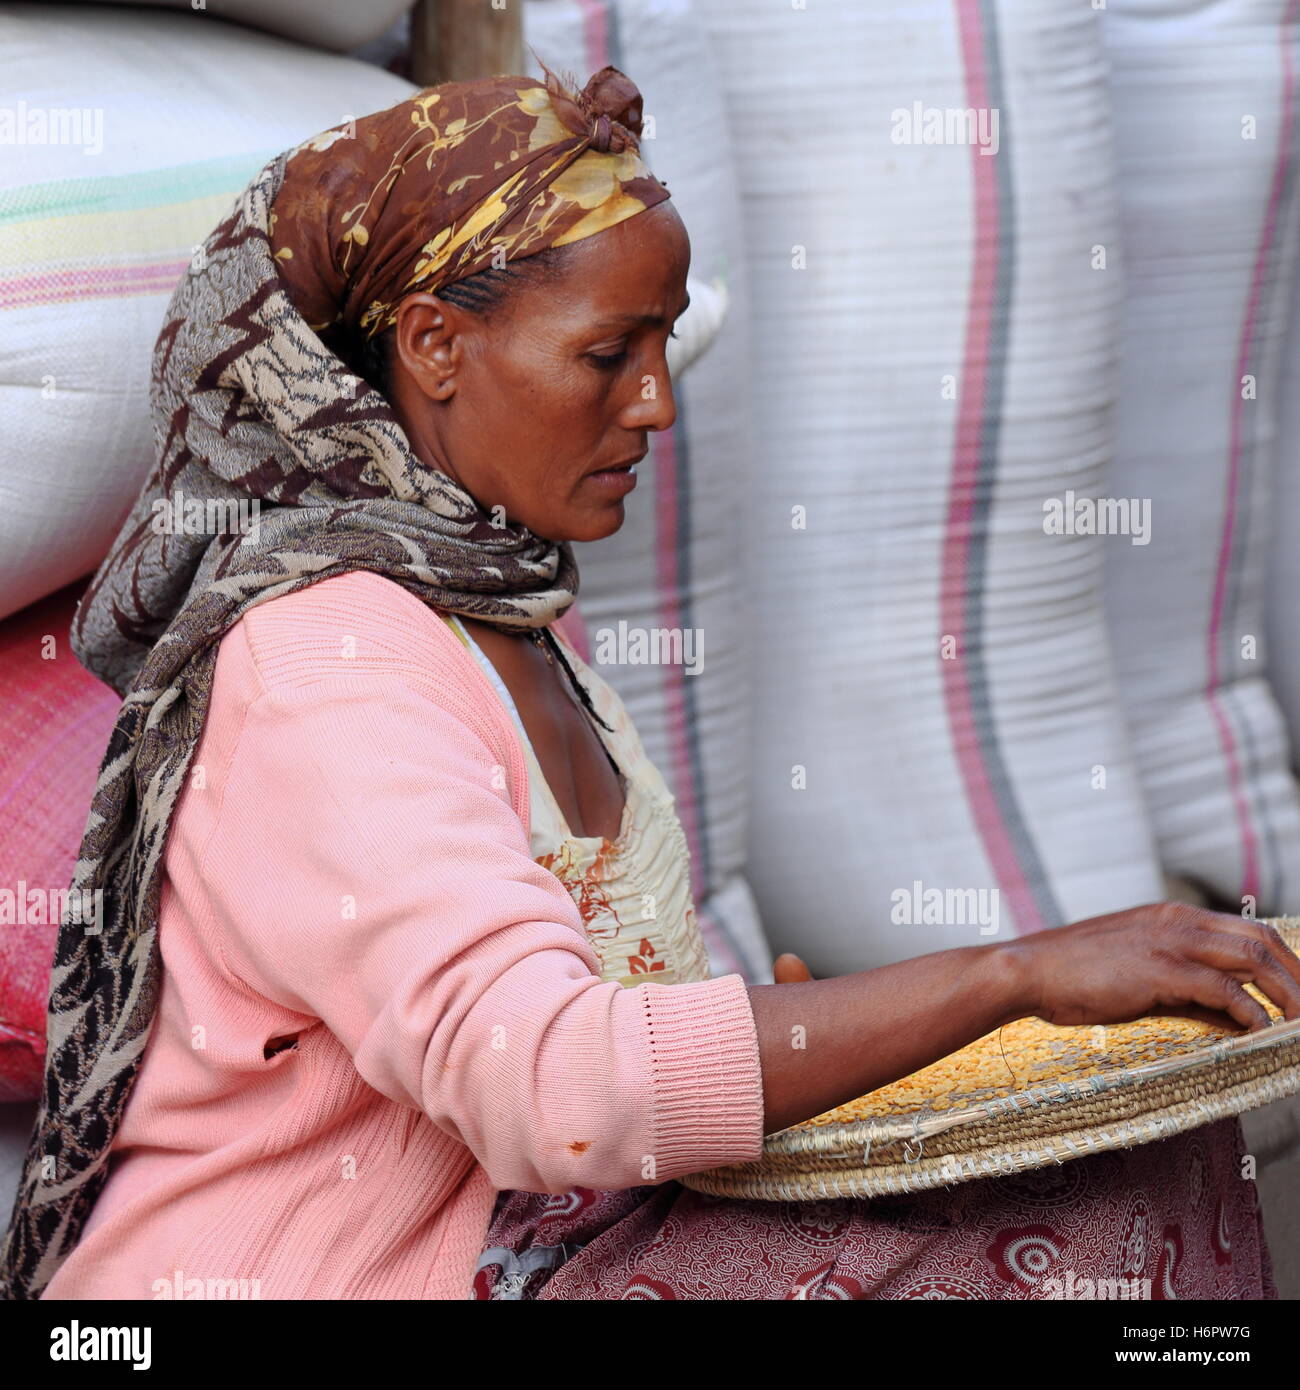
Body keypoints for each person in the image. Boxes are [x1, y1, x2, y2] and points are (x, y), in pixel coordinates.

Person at [4, 65, 1294, 1302]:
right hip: (347, 1270)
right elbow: (555, 1096)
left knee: (1158, 1155)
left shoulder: (499, 623)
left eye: (664, 345)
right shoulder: (325, 662)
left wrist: (802, 1031)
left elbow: (591, 1011)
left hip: (546, 1241)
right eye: (609, 352)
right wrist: (1008, 976)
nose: (659, 404)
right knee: (1111, 1232)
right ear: (435, 344)